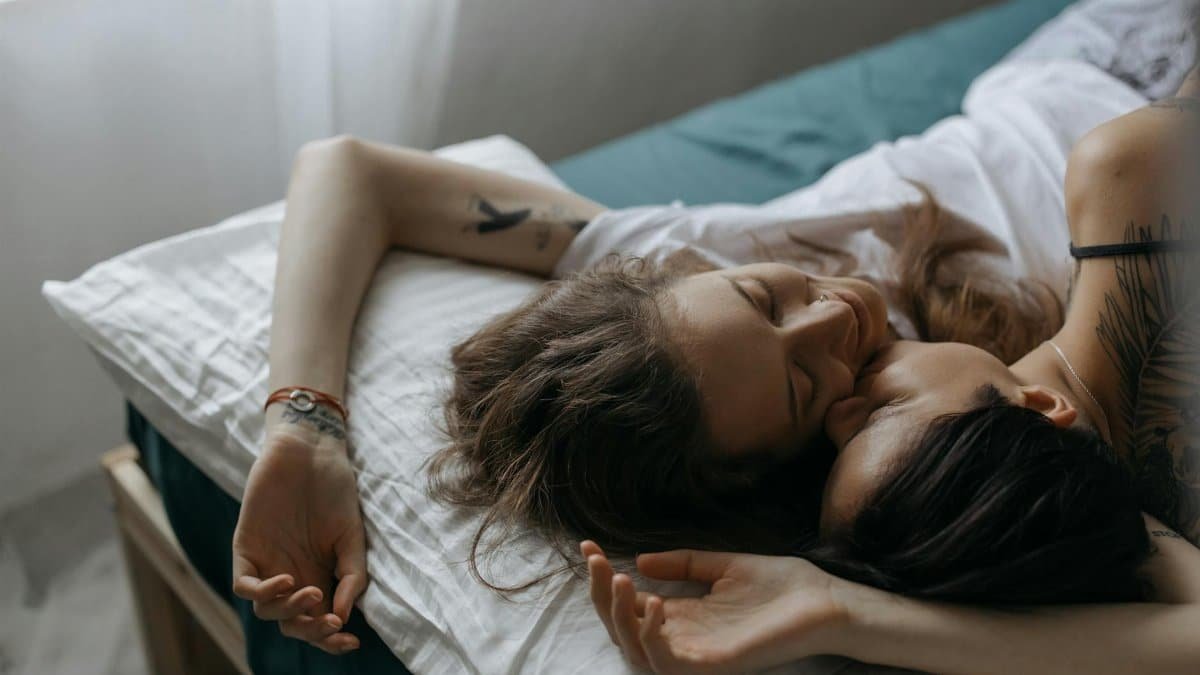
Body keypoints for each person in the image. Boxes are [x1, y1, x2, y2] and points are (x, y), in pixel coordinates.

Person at [229, 7, 1188, 655]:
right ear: (784, 456)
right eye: (807, 388)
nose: (834, 312)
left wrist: (303, 425)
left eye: (766, 299)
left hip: (1087, 62)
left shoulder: (704, 262)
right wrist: (849, 613)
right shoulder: (937, 474)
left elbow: (351, 172)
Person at [583, 62, 1200, 675]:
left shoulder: (1134, 179)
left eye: (765, 301)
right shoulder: (1131, 182)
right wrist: (840, 612)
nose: (839, 407)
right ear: (1037, 404)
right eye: (872, 412)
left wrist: (851, 616)